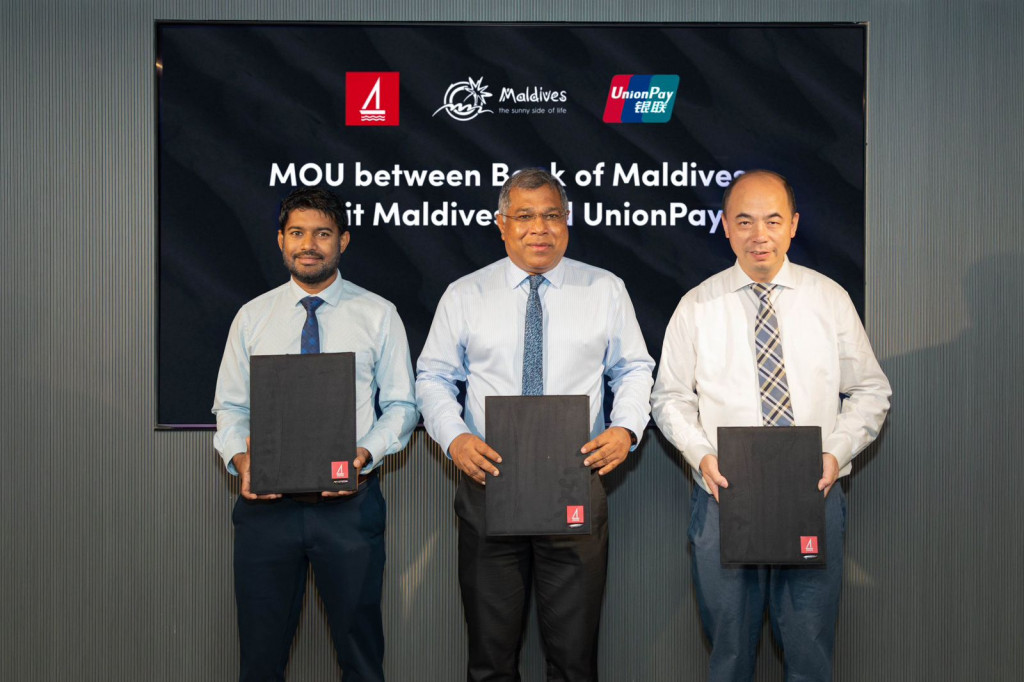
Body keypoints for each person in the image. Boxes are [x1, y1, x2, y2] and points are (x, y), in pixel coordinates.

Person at [651, 170, 891, 681]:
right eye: (744, 221)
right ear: (725, 227)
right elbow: (669, 398)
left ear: (794, 225)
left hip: (813, 494)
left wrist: (836, 453)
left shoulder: (829, 299)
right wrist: (701, 456)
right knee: (730, 656)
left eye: (773, 220)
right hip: (724, 497)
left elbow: (871, 391)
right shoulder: (697, 306)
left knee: (809, 653)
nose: (759, 234)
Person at [416, 168, 654, 681]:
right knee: (490, 662)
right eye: (524, 216)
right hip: (490, 485)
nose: (539, 228)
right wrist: (455, 438)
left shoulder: (605, 289)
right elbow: (433, 376)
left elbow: (634, 368)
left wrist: (626, 428)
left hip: (575, 481)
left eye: (551, 215)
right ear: (501, 224)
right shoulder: (465, 294)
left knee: (574, 662)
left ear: (567, 222)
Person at [212, 187, 418, 681]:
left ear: (342, 241)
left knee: (361, 658)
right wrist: (241, 461)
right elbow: (231, 407)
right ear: (281, 240)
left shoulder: (378, 314)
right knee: (260, 660)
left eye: (323, 234)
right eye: (298, 233)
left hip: (350, 507)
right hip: (267, 511)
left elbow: (402, 406)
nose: (309, 245)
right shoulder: (252, 317)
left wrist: (364, 453)